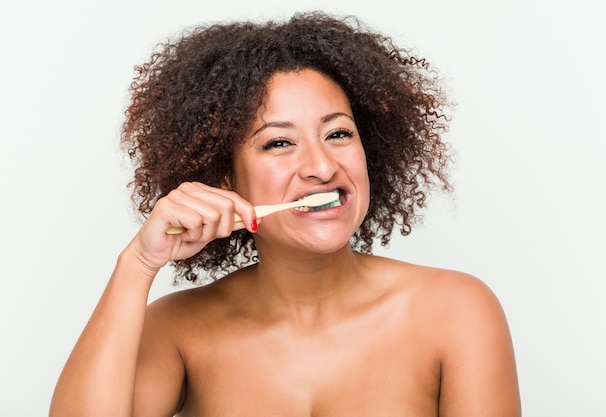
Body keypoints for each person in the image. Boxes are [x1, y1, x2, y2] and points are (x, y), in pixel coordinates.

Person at [50, 11, 521, 417]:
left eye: (338, 134)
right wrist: (138, 265)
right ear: (226, 179)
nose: (321, 166)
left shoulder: (456, 312)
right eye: (279, 142)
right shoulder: (177, 329)